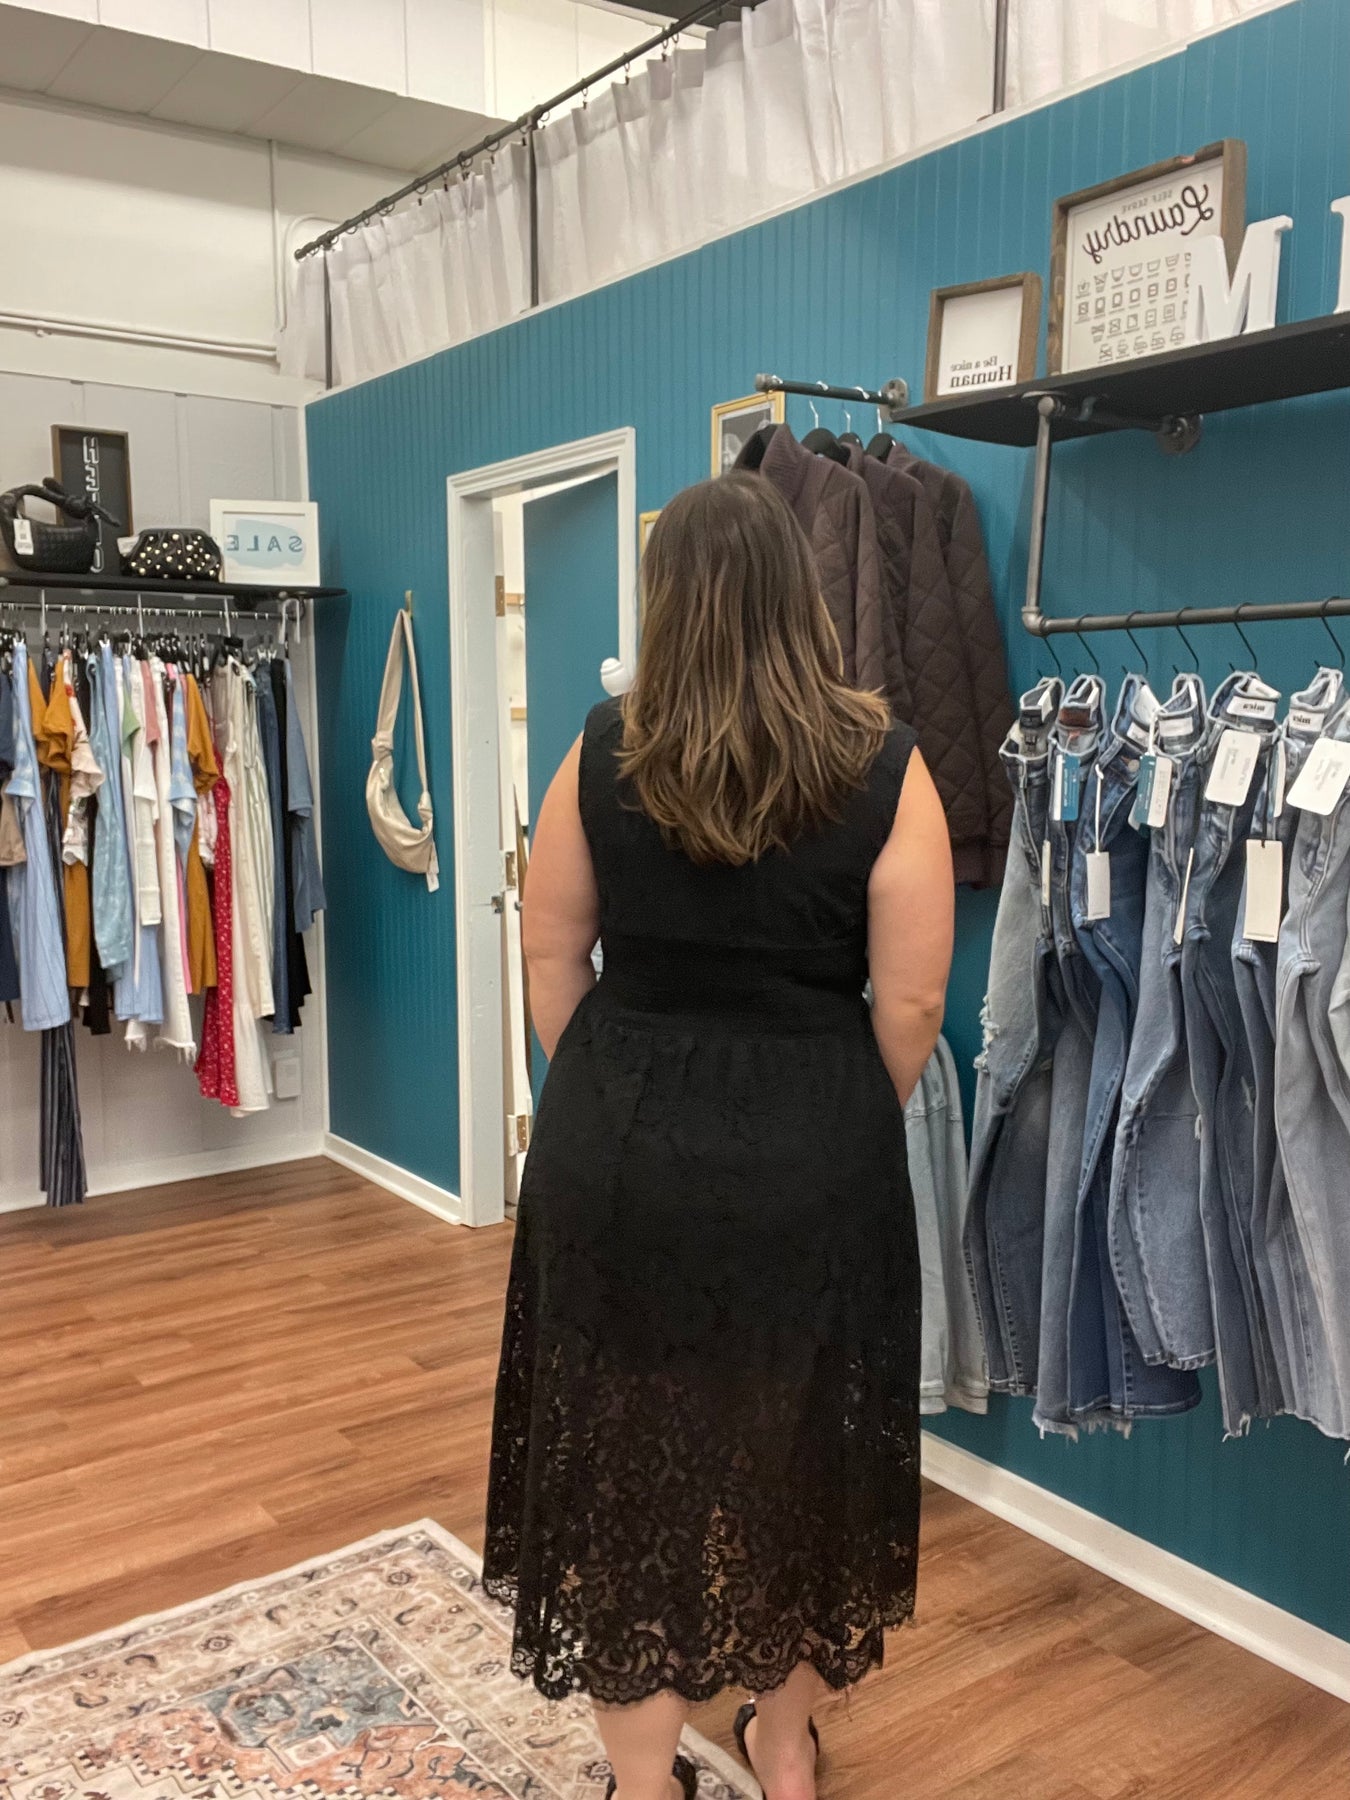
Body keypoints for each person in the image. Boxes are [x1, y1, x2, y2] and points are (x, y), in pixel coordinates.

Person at [483, 472, 955, 1800]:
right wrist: (832, 1119)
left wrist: (610, 1089)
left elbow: (549, 954)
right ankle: (783, 1747)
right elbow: (912, 1003)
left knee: (623, 1465)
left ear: (666, 604)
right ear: (802, 596)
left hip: (618, 1149)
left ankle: (644, 1784)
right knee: (805, 1457)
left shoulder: (601, 749)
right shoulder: (887, 764)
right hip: (816, 1158)